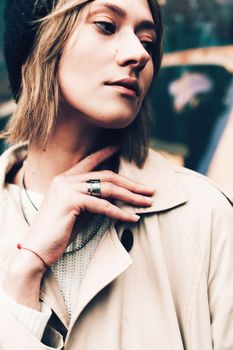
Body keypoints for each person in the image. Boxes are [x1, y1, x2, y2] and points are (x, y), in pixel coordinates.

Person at [0, 0, 232, 349]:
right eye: (107, 26)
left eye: (148, 41)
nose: (139, 53)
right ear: (40, 40)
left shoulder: (205, 216)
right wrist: (25, 271)